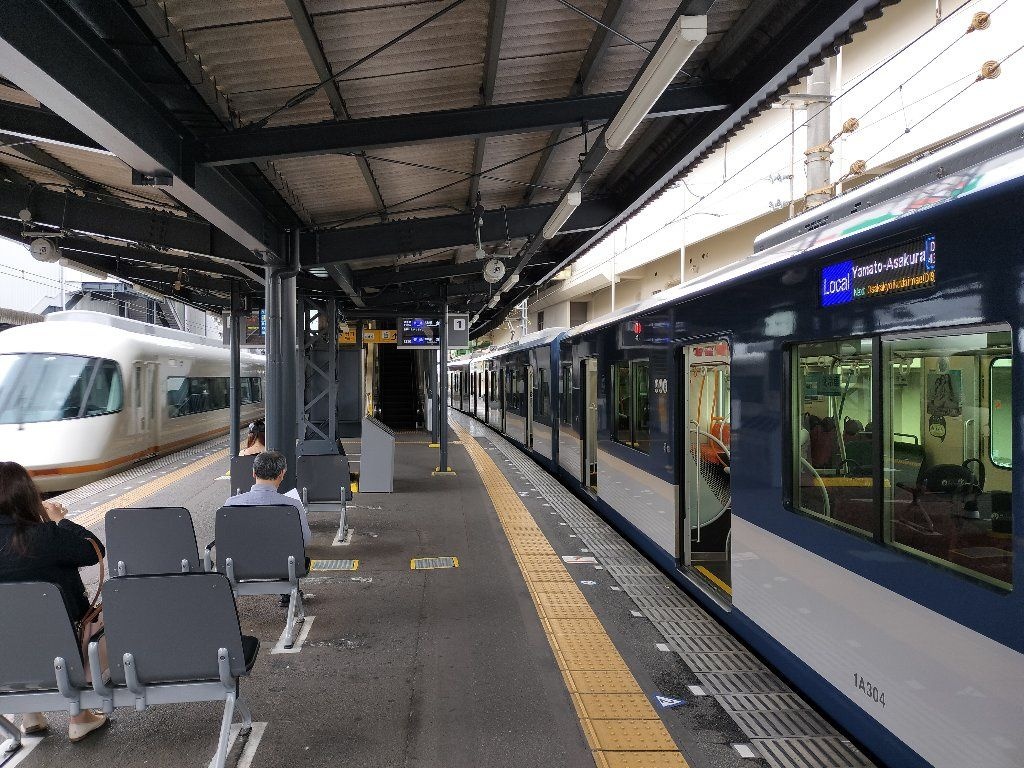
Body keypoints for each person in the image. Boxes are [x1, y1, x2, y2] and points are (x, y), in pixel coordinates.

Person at [0, 462, 108, 742]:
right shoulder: (46, 536)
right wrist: (59, 521)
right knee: (105, 615)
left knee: (13, 629)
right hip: (64, 652)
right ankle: (79, 717)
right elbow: (94, 550)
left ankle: (30, 713)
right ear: (27, 495)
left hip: (6, 659)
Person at [224, 451, 311, 606]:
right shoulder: (293, 505)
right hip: (283, 566)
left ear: (253, 473)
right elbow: (305, 540)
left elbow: (227, 541)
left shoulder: (231, 504)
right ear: (282, 474)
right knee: (288, 549)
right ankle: (288, 594)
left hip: (238, 567)